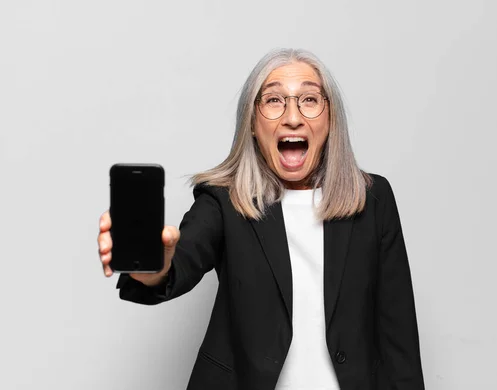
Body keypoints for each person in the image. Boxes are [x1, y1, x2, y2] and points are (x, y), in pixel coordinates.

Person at [97, 48, 425, 390]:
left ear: (330, 120)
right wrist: (153, 264)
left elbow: (398, 332)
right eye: (273, 101)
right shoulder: (224, 200)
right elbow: (179, 265)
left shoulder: (373, 199)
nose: (293, 117)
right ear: (253, 124)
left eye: (309, 99)